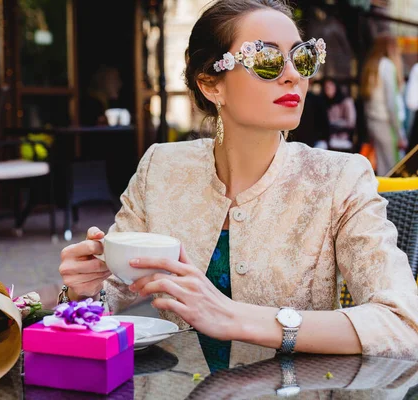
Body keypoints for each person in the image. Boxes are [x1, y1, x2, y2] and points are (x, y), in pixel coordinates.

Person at [58, 0, 418, 372]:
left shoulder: (339, 178)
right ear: (211, 85)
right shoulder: (160, 168)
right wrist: (80, 291)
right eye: (267, 60)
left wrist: (237, 318)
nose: (293, 75)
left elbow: (404, 323)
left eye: (303, 58)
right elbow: (107, 298)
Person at [360, 34, 408, 176]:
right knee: (394, 168)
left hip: (374, 123)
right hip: (387, 125)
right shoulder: (387, 66)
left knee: (382, 167)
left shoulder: (371, 65)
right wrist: (399, 134)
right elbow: (391, 103)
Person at [323, 78, 356, 151]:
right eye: (326, 88)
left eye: (329, 87)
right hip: (326, 138)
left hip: (342, 137)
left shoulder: (346, 102)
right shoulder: (324, 102)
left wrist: (334, 124)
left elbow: (351, 122)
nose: (327, 90)